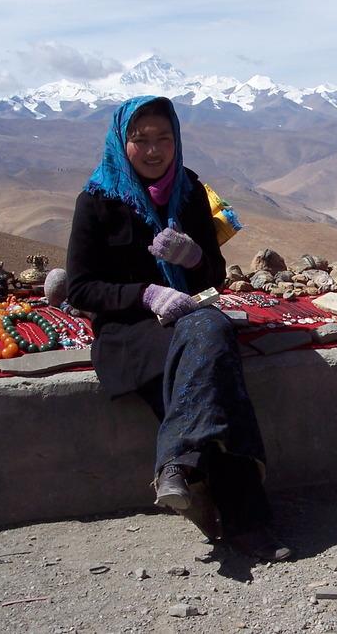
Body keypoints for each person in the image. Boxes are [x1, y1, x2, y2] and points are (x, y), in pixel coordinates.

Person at [66, 96, 291, 561]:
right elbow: (82, 289)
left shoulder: (188, 191)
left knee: (207, 335)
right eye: (141, 140)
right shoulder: (97, 201)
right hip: (130, 332)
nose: (153, 151)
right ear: (120, 141)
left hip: (190, 320)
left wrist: (192, 257)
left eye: (163, 139)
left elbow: (213, 275)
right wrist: (146, 293)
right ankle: (249, 522)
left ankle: (176, 464)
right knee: (215, 365)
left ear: (177, 140)